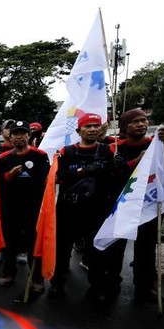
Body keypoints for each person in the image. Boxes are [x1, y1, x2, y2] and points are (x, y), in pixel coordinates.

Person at [109, 108, 164, 304]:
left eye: (143, 120)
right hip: (122, 204)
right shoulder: (115, 146)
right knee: (116, 248)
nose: (141, 124)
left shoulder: (155, 145)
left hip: (148, 204)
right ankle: (112, 283)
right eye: (135, 121)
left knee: (146, 249)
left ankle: (145, 287)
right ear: (125, 126)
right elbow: (116, 172)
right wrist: (136, 162)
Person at [49, 114, 116, 300]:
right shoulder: (67, 152)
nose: (93, 129)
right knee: (62, 250)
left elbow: (114, 179)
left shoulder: (108, 151)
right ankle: (57, 283)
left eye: (96, 126)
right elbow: (59, 176)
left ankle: (97, 287)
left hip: (96, 210)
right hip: (68, 209)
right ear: (79, 131)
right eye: (88, 126)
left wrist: (118, 166)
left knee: (96, 252)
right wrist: (84, 171)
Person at [0, 120, 50, 298]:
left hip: (32, 208)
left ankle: (36, 278)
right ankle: (8, 273)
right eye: (15, 133)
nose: (19, 136)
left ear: (28, 135)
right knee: (10, 242)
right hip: (10, 207)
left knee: (33, 242)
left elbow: (45, 181)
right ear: (10, 137)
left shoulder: (40, 156)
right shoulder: (3, 158)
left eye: (23, 133)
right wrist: (10, 175)